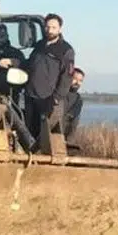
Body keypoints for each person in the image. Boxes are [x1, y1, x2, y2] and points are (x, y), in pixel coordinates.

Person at [24, 13, 76, 145]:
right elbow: (29, 65)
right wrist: (14, 62)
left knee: (50, 137)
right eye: (47, 27)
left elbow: (67, 77)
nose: (50, 30)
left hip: (50, 100)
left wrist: (56, 97)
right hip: (31, 97)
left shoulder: (66, 50)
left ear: (60, 29)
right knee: (29, 135)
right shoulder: (39, 46)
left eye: (53, 27)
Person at [64, 67, 85, 141]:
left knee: (76, 117)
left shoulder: (78, 99)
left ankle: (69, 143)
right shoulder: (60, 94)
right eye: (75, 79)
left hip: (68, 134)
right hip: (54, 131)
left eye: (80, 81)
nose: (77, 82)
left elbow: (73, 122)